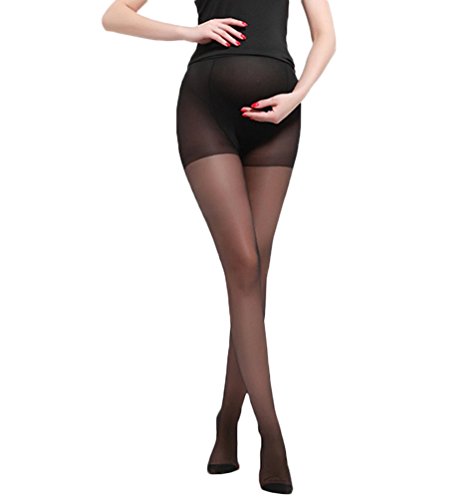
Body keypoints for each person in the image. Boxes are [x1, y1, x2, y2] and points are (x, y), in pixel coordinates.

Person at [102, 0, 336, 493]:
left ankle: (227, 420)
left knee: (253, 274)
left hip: (279, 117)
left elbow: (325, 36)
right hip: (206, 111)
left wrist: (298, 95)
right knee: (244, 265)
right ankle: (272, 433)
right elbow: (114, 15)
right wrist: (190, 32)